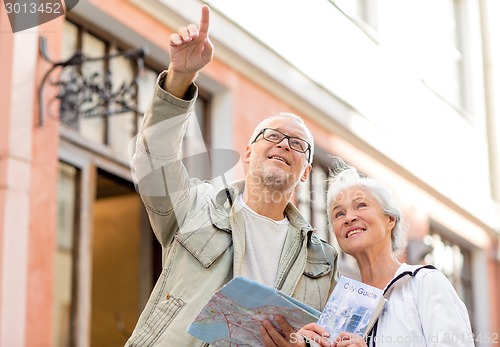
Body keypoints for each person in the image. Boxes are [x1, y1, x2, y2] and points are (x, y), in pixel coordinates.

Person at [125, 5, 338, 347]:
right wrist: (180, 78)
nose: (283, 144)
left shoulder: (324, 259)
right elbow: (154, 162)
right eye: (272, 135)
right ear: (250, 153)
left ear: (305, 173)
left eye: (297, 144)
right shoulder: (194, 208)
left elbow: (328, 337)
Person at [297, 157, 473, 347]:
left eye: (361, 205)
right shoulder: (339, 307)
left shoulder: (424, 284)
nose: (349, 218)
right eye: (339, 214)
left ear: (390, 219)